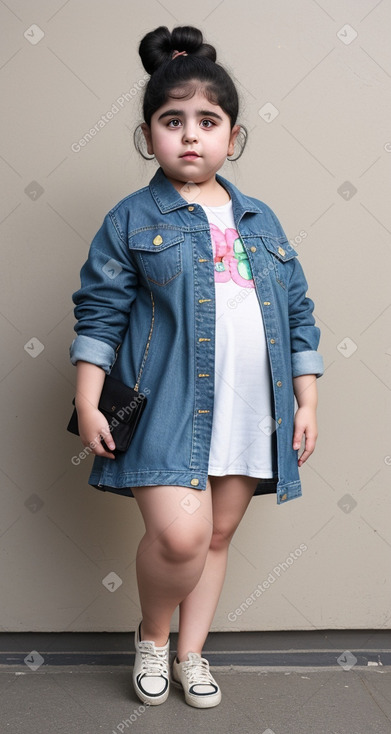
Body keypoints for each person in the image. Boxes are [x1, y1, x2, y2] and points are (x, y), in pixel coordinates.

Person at [69, 24, 324, 709]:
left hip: (251, 405)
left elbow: (299, 311)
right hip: (166, 404)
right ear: (147, 134)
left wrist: (305, 402)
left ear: (232, 137)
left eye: (206, 122)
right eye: (171, 120)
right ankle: (153, 637)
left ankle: (191, 655)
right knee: (179, 536)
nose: (190, 135)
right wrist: (89, 400)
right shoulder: (131, 219)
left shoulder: (260, 220)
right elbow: (99, 315)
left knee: (215, 535)